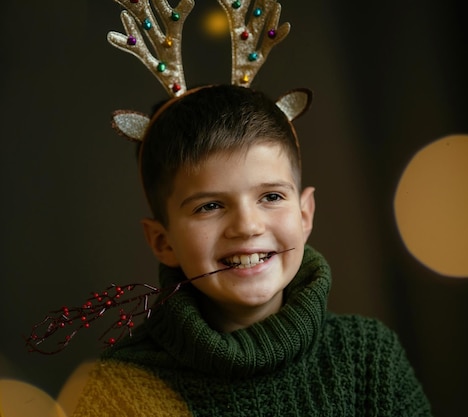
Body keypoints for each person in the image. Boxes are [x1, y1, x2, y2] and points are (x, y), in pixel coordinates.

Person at [70, 84, 433, 416]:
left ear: (305, 215)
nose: (247, 226)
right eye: (209, 206)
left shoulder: (367, 357)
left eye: (271, 197)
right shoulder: (118, 391)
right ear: (163, 243)